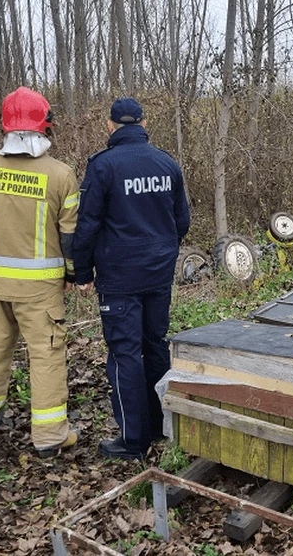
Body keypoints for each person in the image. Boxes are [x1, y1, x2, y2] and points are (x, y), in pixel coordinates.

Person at [0, 87, 80, 458]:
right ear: (46, 126)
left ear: (4, 125)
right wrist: (71, 275)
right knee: (46, 355)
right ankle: (49, 436)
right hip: (40, 290)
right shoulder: (61, 175)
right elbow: (71, 237)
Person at [73, 97, 190, 461]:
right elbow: (181, 221)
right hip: (158, 273)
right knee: (155, 345)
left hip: (120, 277)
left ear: (111, 126)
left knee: (125, 354)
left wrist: (82, 271)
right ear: (142, 123)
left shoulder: (103, 166)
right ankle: (159, 426)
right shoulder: (166, 163)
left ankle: (133, 441)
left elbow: (87, 225)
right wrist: (162, 252)